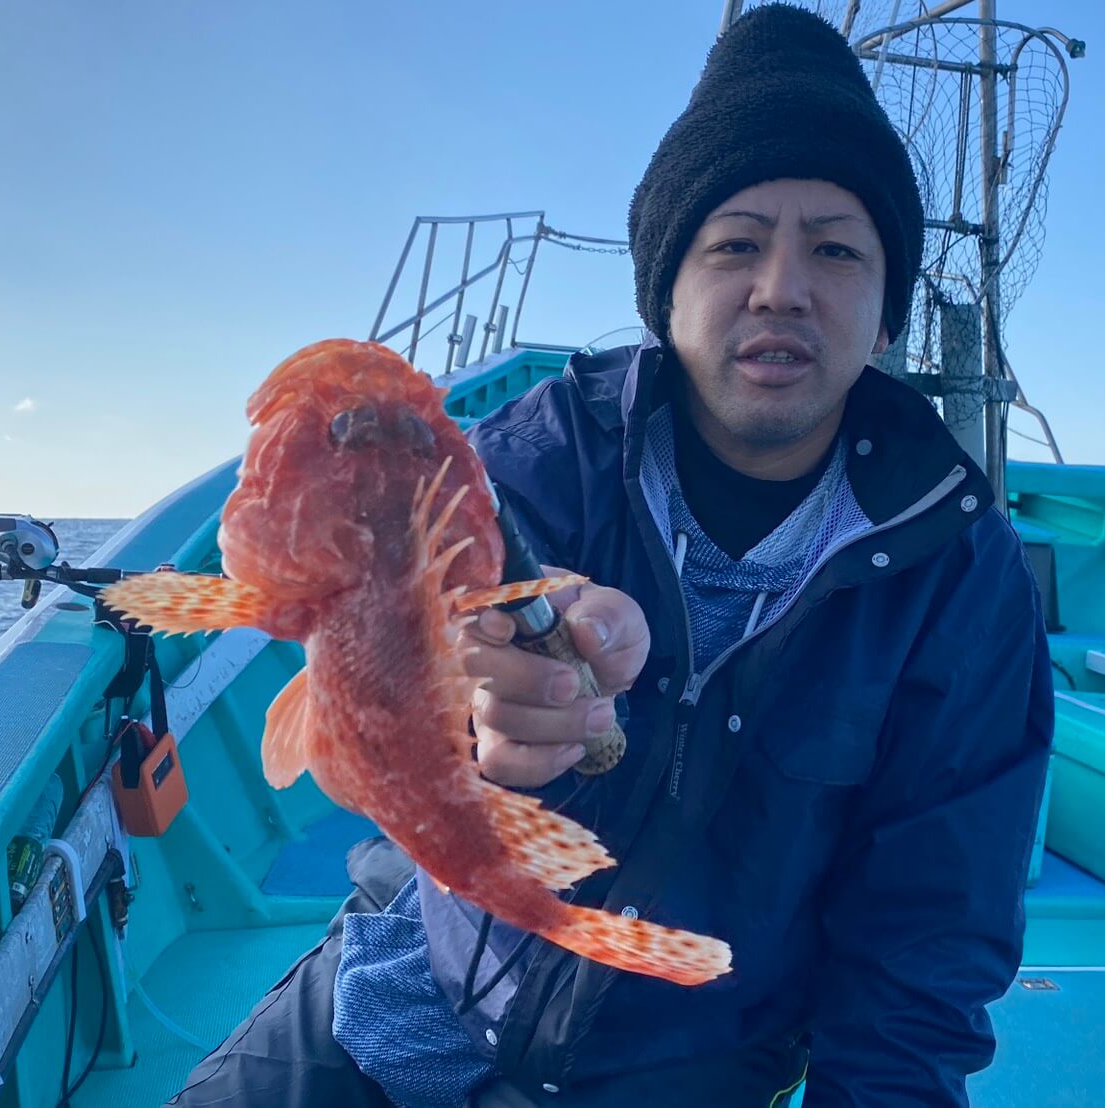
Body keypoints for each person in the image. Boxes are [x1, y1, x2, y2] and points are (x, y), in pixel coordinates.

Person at [167, 5, 1053, 1106]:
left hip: (684, 1070)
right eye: (735, 243)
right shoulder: (522, 468)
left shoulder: (957, 574)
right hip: (408, 990)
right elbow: (386, 704)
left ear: (883, 317)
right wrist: (476, 722)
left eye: (835, 248)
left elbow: (928, 936)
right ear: (664, 294)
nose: (781, 286)